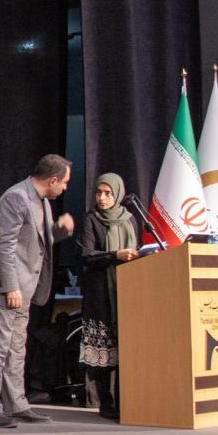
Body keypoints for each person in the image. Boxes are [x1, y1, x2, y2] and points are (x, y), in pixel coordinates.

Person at [0, 154, 75, 428]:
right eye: (64, 182)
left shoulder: (42, 201)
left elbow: (39, 240)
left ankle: (16, 404)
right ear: (52, 180)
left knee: (16, 349)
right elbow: (3, 245)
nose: (65, 187)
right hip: (3, 288)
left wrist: (60, 231)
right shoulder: (16, 197)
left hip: (25, 288)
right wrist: (11, 286)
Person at [77, 173, 139, 421]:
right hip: (100, 295)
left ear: (118, 194)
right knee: (104, 351)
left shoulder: (131, 219)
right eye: (98, 193)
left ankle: (129, 400)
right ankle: (106, 402)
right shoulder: (92, 219)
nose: (102, 198)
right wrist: (115, 255)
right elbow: (87, 255)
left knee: (127, 349)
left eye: (108, 193)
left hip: (128, 291)